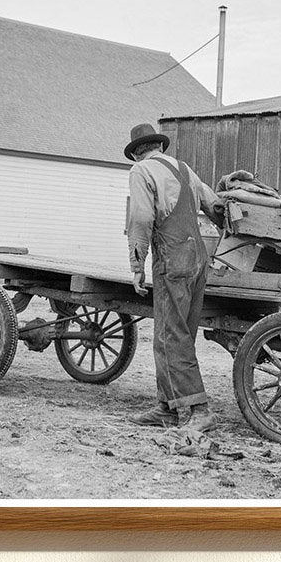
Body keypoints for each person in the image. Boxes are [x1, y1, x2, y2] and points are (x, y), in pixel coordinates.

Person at [124, 122, 224, 431]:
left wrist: (137, 266)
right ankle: (167, 407)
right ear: (158, 147)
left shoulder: (141, 172)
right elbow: (215, 205)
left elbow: (140, 218)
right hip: (197, 259)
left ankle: (200, 411)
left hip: (173, 258)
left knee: (171, 336)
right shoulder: (184, 168)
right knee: (180, 334)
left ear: (138, 152)